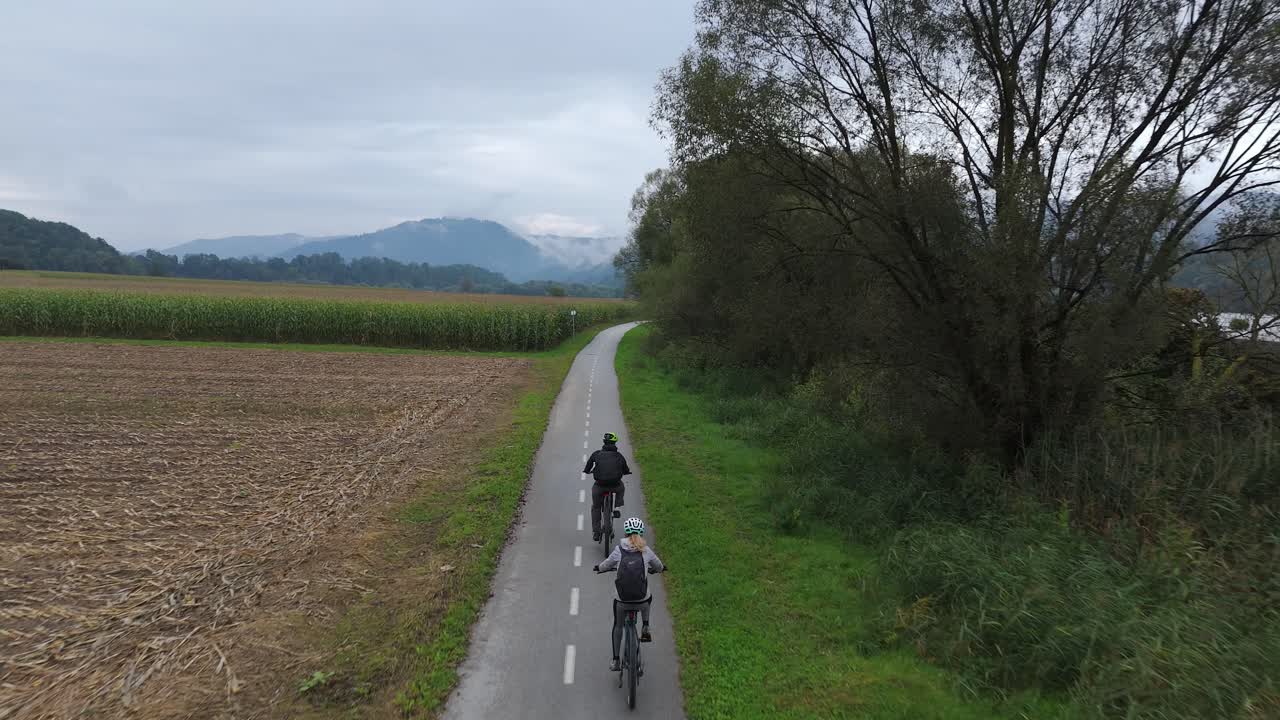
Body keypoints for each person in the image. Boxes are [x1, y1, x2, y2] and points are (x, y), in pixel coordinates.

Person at [594, 517, 665, 671]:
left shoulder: (619, 550)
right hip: (642, 600)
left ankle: (616, 660)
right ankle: (645, 626)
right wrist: (660, 569)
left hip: (622, 601)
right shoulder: (646, 550)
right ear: (641, 533)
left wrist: (598, 568)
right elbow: (658, 566)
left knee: (617, 626)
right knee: (648, 596)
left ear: (626, 533)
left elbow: (606, 565)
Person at [583, 431, 632, 542]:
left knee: (595, 507)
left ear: (604, 442)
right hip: (615, 485)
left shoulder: (596, 454)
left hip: (599, 486)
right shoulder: (619, 456)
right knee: (621, 488)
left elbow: (588, 464)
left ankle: (596, 532)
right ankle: (616, 507)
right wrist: (627, 472)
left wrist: (586, 471)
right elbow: (625, 468)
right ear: (615, 443)